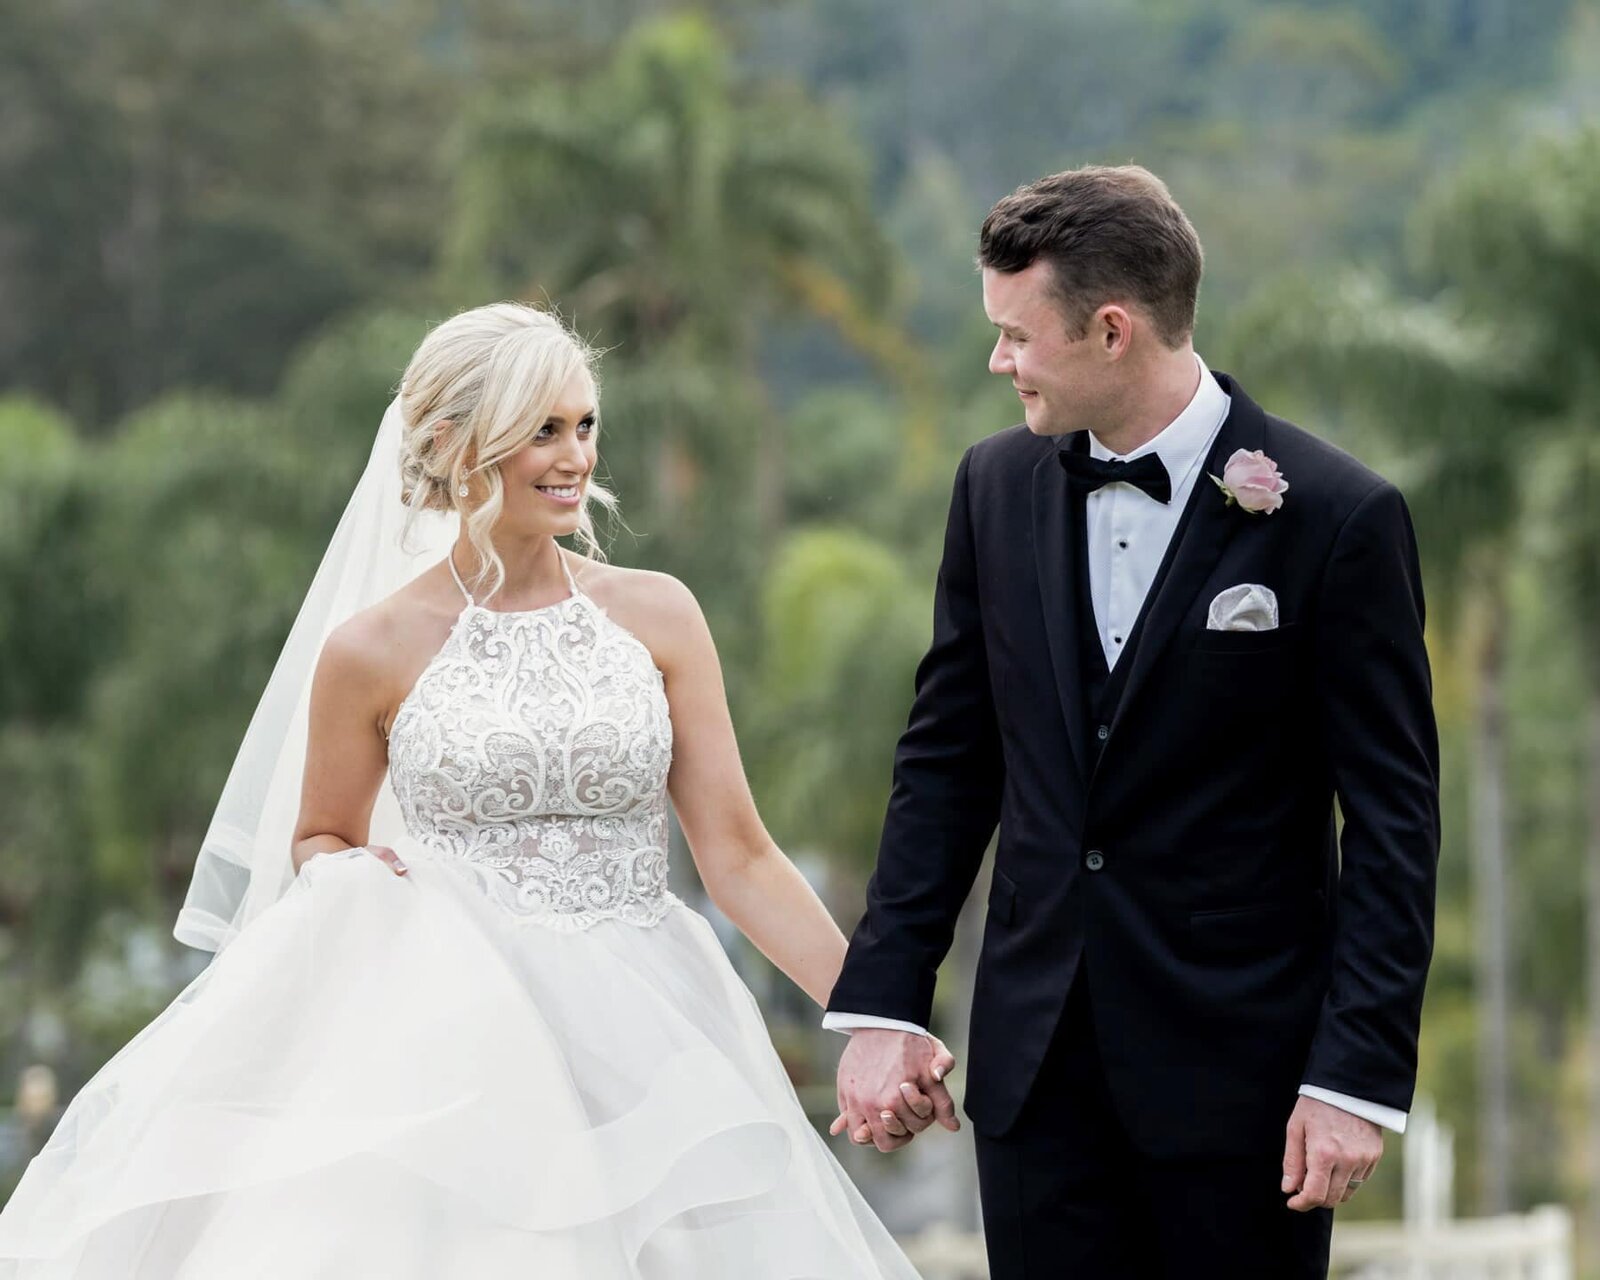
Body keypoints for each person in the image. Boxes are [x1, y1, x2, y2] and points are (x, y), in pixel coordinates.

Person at [0, 302, 955, 1277]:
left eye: (584, 424)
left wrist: (881, 1013)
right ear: (456, 444)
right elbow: (321, 834)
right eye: (542, 428)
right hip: (452, 1043)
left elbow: (741, 855)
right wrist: (353, 874)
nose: (575, 454)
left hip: (652, 1027)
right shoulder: (370, 648)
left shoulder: (657, 612)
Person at [826, 166, 1441, 1279]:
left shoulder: (1338, 516)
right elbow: (946, 758)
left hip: (1245, 1086)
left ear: (1111, 330)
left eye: (1016, 335)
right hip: (1033, 1078)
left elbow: (1395, 824)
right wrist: (884, 1000)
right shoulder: (992, 487)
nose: (995, 361)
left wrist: (1351, 1077)